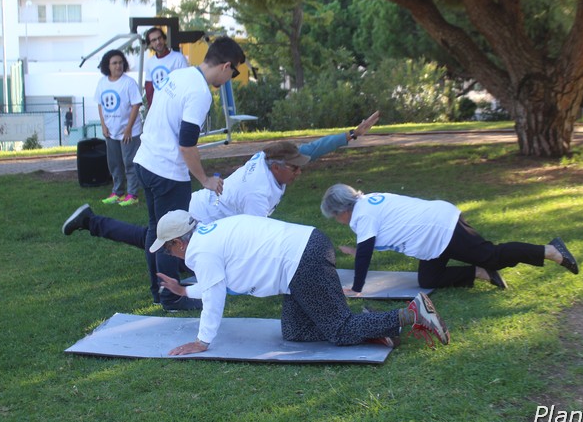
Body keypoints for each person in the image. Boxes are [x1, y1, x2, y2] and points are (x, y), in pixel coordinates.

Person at [62, 112, 381, 303]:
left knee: (150, 240)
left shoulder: (270, 157)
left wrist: (351, 134)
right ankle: (93, 223)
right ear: (277, 167)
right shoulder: (258, 193)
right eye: (295, 168)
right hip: (197, 221)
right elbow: (254, 241)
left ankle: (92, 222)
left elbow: (313, 148)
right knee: (154, 243)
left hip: (203, 212)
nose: (300, 172)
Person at [150, 210, 449, 355]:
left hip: (302, 260)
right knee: (294, 331)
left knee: (339, 329)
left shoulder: (201, 251)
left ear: (178, 242)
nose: (170, 255)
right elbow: (215, 284)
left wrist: (202, 341)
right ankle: (375, 326)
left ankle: (412, 313)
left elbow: (215, 296)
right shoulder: (209, 234)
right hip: (304, 253)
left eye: (168, 249)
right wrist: (184, 290)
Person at [132, 36, 244, 311]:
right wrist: (205, 180)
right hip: (167, 172)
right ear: (226, 66)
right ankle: (172, 298)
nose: (230, 79)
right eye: (233, 73)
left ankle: (159, 292)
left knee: (156, 230)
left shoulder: (179, 74)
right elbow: (186, 144)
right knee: (173, 235)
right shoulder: (200, 92)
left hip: (145, 161)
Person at [320, 184, 579, 294]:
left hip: (441, 229)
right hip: (431, 238)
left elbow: (366, 252)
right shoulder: (368, 202)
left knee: (492, 256)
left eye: (335, 216)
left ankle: (550, 250)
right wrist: (358, 251)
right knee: (428, 280)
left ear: (341, 210)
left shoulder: (361, 215)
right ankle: (480, 273)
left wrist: (357, 287)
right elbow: (385, 233)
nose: (338, 220)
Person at [95, 49, 143, 207]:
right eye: (114, 63)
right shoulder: (102, 83)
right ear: (107, 66)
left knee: (129, 163)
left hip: (129, 132)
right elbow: (100, 105)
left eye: (121, 62)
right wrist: (103, 125)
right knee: (114, 163)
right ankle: (118, 192)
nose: (118, 66)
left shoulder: (129, 83)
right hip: (111, 132)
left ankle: (132, 194)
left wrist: (128, 129)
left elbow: (136, 105)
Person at [143, 27, 189, 111]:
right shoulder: (150, 63)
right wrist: (152, 110)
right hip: (158, 109)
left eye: (159, 38)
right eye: (154, 40)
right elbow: (149, 89)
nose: (158, 42)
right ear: (150, 44)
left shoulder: (179, 58)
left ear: (164, 39)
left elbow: (186, 83)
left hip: (176, 107)